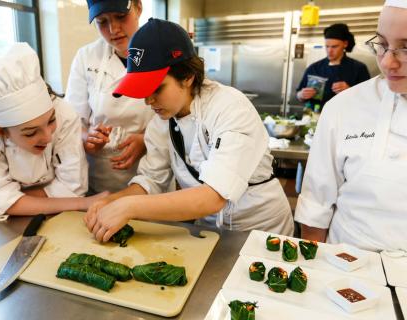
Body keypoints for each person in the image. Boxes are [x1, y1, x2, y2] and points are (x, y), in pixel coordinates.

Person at [84, 18, 294, 243]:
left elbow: (213, 197)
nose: (148, 101)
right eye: (143, 91)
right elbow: (151, 180)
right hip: (209, 228)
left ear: (187, 76)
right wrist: (113, 201)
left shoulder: (229, 107)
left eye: (156, 88)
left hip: (262, 229)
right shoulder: (160, 123)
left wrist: (128, 207)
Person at [295, 0, 407, 252]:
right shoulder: (342, 106)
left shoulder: (356, 68)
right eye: (382, 44)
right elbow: (316, 203)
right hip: (344, 265)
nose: (388, 63)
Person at [0, 43, 106, 216]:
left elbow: (72, 188)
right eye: (31, 132)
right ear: (0, 132)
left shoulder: (64, 113)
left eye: (51, 121)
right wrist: (82, 203)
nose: (48, 137)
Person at [65, 0, 153, 194]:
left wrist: (147, 139)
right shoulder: (86, 57)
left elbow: (177, 118)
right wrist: (87, 137)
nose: (113, 29)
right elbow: (72, 120)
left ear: (138, 8)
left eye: (121, 17)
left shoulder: (159, 51)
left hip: (152, 171)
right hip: (102, 178)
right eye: (102, 22)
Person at [296, 23, 371, 110]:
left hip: (347, 117)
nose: (329, 51)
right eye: (327, 46)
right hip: (317, 117)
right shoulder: (314, 67)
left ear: (345, 44)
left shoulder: (359, 68)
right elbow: (299, 94)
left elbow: (368, 98)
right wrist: (301, 95)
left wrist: (350, 91)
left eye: (334, 47)